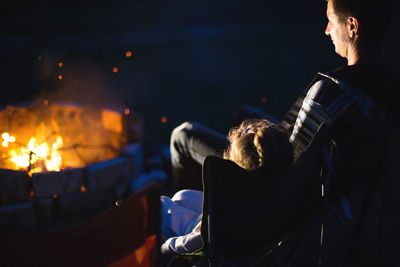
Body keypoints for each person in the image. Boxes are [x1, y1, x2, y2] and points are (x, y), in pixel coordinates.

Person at [169, 0, 399, 264]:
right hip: (346, 210)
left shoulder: (332, 94)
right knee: (245, 114)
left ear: (352, 26)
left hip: (277, 199)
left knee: (183, 136)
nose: (326, 30)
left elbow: (284, 173)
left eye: (330, 21)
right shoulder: (388, 92)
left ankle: (200, 227)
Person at [162, 119, 293, 254]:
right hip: (201, 222)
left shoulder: (226, 213)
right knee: (182, 196)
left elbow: (192, 243)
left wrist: (165, 245)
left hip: (191, 233)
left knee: (161, 206)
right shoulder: (275, 190)